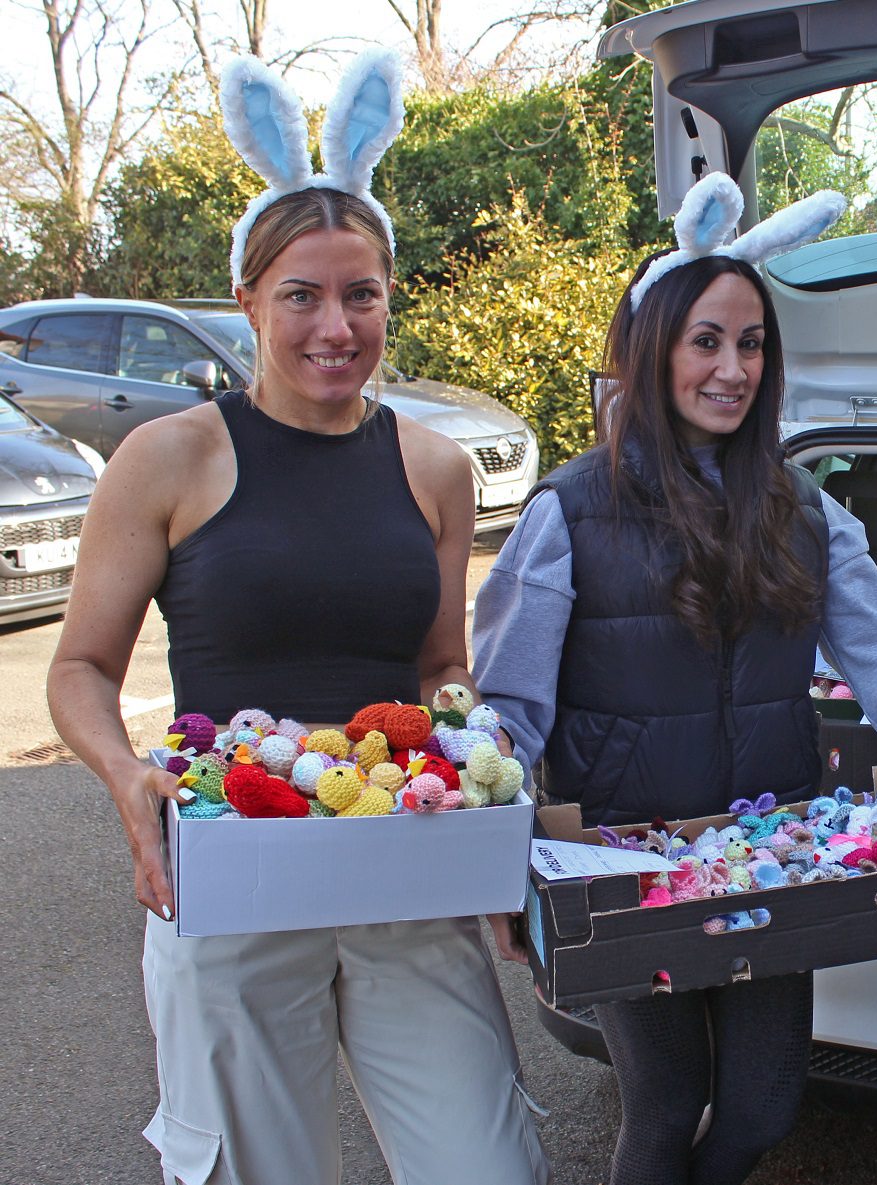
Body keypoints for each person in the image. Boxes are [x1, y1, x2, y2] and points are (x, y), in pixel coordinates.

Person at [45, 52, 548, 1185]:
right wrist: (128, 779)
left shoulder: (433, 466)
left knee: (488, 1164)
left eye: (360, 293)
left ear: (388, 297)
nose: (337, 325)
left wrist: (482, 773)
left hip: (402, 866)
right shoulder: (170, 457)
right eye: (302, 295)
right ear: (246, 301)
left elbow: (439, 671)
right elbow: (77, 666)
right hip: (231, 871)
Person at [471, 173, 877, 1185]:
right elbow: (509, 713)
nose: (732, 368)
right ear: (654, 348)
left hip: (771, 859)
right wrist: (499, 858)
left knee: (765, 1104)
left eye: (751, 342)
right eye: (706, 341)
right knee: (665, 1106)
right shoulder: (570, 511)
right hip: (629, 867)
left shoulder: (802, 507)